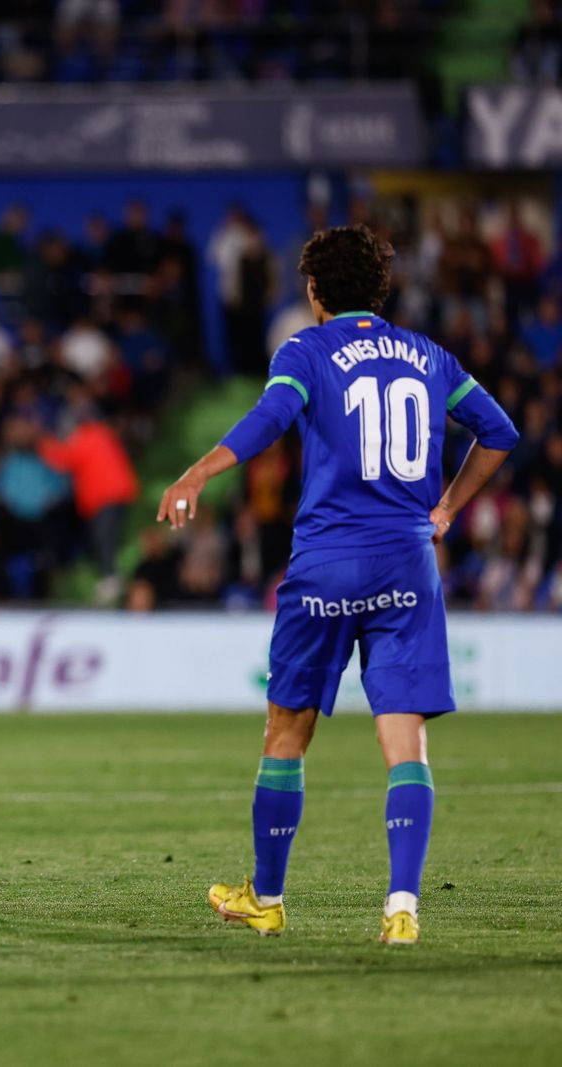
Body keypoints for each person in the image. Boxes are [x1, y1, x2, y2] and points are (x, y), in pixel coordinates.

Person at [158, 225, 518, 945]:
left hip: (327, 561)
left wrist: (200, 470)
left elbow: (272, 417)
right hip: (409, 565)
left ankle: (267, 895)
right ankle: (403, 904)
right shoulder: (430, 355)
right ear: (380, 289)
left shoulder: (306, 350)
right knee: (405, 740)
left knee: (287, 731)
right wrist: (446, 506)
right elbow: (500, 431)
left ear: (316, 290)